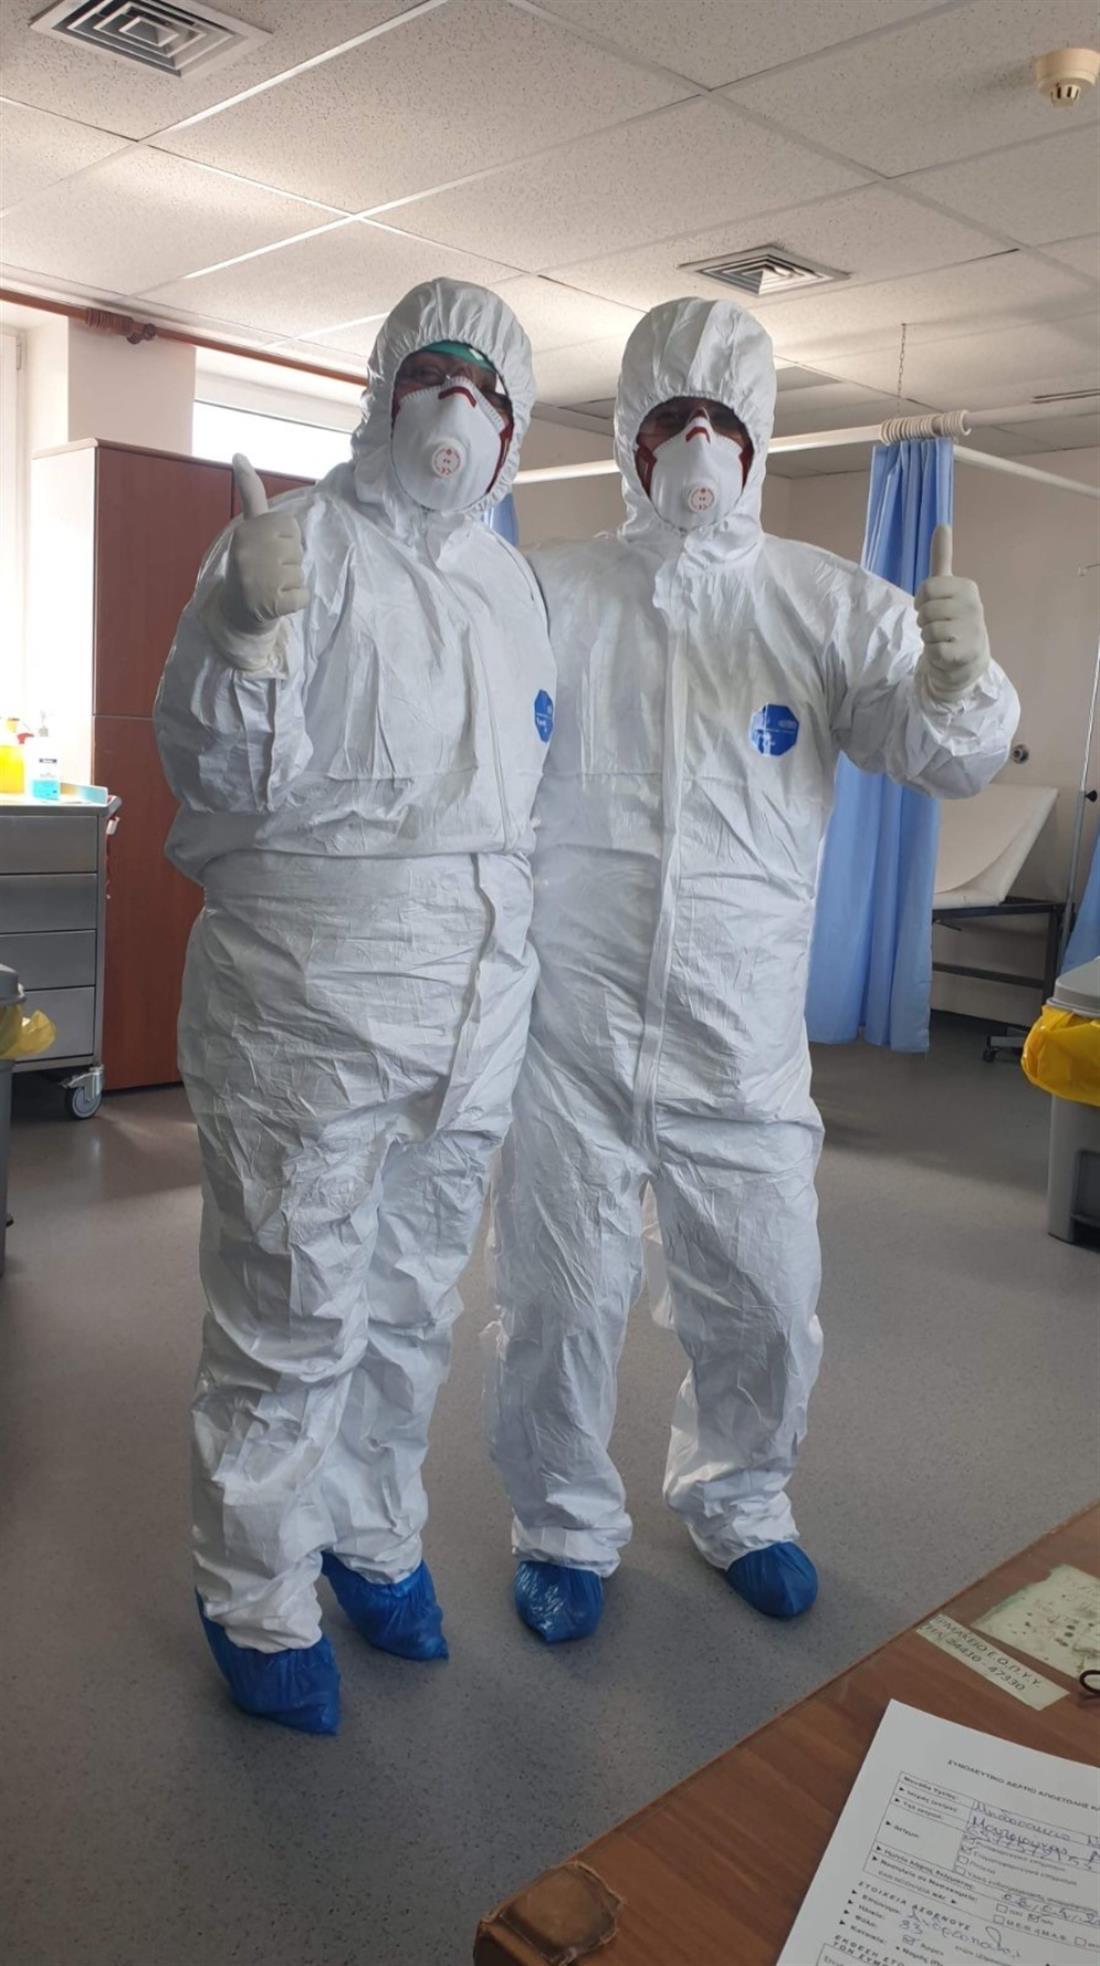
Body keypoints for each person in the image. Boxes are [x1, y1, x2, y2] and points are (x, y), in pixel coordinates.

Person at [484, 295, 1019, 1644]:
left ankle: (742, 1499)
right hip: (573, 1027)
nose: (696, 444)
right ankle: (560, 1523)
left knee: (769, 1301)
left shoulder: (824, 603)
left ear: (759, 437)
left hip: (740, 1038)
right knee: (557, 1299)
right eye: (670, 417)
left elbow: (943, 755)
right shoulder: (550, 592)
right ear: (630, 435)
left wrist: (962, 680)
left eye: (720, 418)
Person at [155, 279, 555, 1731]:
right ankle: (255, 1590)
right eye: (435, 373)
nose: (458, 406)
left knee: (411, 1301)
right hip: (305, 1006)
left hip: (473, 1013)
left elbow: (518, 804)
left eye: (488, 389)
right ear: (384, 389)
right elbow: (217, 774)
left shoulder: (510, 586)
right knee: (291, 1306)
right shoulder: (291, 544)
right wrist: (239, 633)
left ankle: (370, 1534)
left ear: (513, 427)